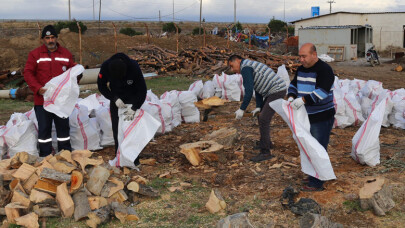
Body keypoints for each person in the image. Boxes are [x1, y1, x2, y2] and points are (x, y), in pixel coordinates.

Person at [287, 43, 335, 191]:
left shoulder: (324, 70)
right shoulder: (301, 69)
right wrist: (291, 96)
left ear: (314, 55)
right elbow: (294, 84)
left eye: (304, 56)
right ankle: (313, 175)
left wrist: (302, 100)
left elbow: (322, 92)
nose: (301, 59)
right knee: (308, 147)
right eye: (299, 56)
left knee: (318, 148)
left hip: (321, 117)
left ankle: (317, 183)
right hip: (306, 116)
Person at [24, 25, 76, 157]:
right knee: (44, 129)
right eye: (47, 38)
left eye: (52, 37)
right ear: (43, 39)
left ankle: (65, 154)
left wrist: (77, 76)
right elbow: (28, 73)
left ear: (56, 38)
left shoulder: (65, 54)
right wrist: (37, 88)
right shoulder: (35, 55)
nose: (50, 40)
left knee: (63, 129)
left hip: (61, 102)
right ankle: (45, 156)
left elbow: (73, 72)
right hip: (42, 100)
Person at [228, 55, 287, 162]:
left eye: (232, 66)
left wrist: (242, 109)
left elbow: (249, 91)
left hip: (277, 90)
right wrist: (259, 107)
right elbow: (257, 88)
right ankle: (266, 143)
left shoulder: (245, 67)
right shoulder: (249, 65)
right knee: (261, 116)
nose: (233, 70)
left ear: (238, 60)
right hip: (273, 91)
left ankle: (265, 152)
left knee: (264, 118)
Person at [97, 53, 147, 167]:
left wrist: (135, 107)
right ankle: (120, 156)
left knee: (131, 130)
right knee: (117, 129)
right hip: (116, 100)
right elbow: (101, 85)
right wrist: (113, 98)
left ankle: (134, 158)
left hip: (132, 97)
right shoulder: (106, 66)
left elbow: (142, 90)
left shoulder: (133, 67)